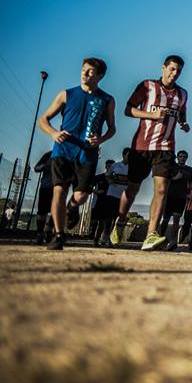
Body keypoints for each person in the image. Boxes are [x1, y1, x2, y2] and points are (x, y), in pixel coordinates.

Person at [110, 55, 190, 250]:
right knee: (132, 189)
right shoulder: (147, 86)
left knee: (162, 189)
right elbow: (128, 110)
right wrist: (151, 115)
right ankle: (119, 223)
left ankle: (151, 234)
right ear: (163, 68)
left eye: (178, 71)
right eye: (171, 69)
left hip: (165, 148)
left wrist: (183, 123)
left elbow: (181, 111)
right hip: (142, 146)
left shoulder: (182, 94)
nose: (174, 73)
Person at [36, 57, 117, 250]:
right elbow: (43, 119)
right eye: (83, 70)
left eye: (90, 72)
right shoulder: (66, 94)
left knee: (80, 195)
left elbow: (113, 129)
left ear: (100, 76)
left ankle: (71, 209)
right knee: (59, 191)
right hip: (63, 151)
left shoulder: (107, 100)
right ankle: (58, 234)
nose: (85, 74)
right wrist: (54, 133)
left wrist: (101, 139)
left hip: (87, 154)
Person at [159, 150, 192, 251]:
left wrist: (189, 193)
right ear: (177, 157)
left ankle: (173, 242)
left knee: (176, 220)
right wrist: (175, 178)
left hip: (181, 197)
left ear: (186, 158)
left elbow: (190, 183)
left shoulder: (189, 170)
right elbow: (165, 180)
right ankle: (160, 240)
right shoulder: (173, 167)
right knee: (165, 219)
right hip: (170, 196)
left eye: (184, 157)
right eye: (181, 156)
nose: (182, 158)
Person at [90, 159, 116, 245]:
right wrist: (96, 192)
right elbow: (88, 187)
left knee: (108, 222)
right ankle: (95, 238)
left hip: (110, 202)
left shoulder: (115, 179)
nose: (110, 168)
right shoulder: (99, 177)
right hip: (99, 202)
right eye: (108, 166)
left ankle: (105, 240)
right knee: (97, 222)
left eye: (112, 167)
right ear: (105, 166)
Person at [32, 151, 54, 244]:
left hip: (59, 188)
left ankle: (48, 230)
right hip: (46, 186)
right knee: (42, 211)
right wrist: (44, 166)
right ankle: (40, 233)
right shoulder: (48, 155)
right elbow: (36, 168)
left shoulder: (69, 154)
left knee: (56, 210)